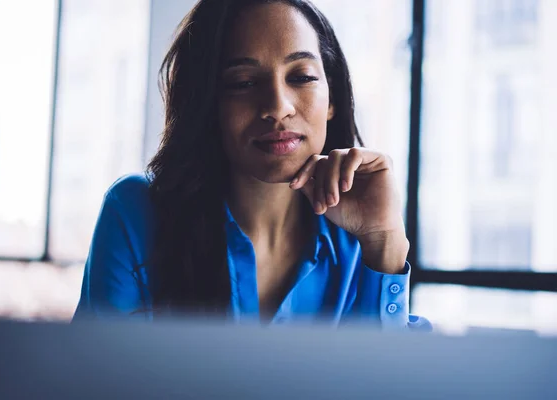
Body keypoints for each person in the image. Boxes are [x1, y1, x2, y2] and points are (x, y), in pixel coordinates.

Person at [73, 0, 430, 331]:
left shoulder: (358, 239)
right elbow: (98, 381)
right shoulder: (136, 214)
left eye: (301, 77)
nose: (278, 106)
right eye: (243, 83)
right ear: (208, 103)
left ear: (332, 98)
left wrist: (384, 244)